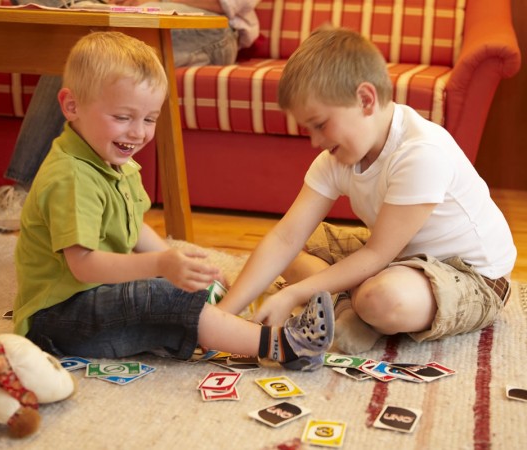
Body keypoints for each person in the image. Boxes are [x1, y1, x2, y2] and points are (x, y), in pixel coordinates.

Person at [13, 31, 333, 372]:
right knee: (163, 294)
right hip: (59, 321)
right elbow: (84, 265)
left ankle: (208, 326)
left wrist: (176, 262)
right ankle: (284, 345)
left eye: (149, 119)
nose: (138, 133)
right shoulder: (71, 176)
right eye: (122, 117)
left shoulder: (113, 162)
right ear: (72, 106)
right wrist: (160, 266)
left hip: (97, 301)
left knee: (174, 292)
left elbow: (131, 229)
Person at [217, 26, 517, 355]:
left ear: (365, 100)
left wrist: (293, 294)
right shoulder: (335, 158)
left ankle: (356, 306)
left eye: (320, 125)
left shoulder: (421, 152)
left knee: (382, 299)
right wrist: (222, 316)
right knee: (288, 254)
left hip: (472, 276)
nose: (315, 141)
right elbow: (285, 238)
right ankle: (348, 310)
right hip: (399, 257)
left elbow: (376, 255)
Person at [0, 0, 260, 233]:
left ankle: (27, 193)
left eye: (147, 120)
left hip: (205, 23)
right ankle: (57, 198)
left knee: (84, 46)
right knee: (78, 19)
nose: (138, 132)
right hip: (118, 9)